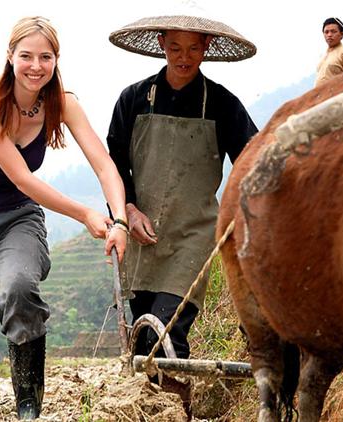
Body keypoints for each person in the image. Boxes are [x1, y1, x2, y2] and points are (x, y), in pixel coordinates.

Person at [0, 16, 128, 421]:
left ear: (57, 60)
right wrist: (84, 214)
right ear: (10, 56)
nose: (36, 66)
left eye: (46, 57)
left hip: (16, 218)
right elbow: (22, 178)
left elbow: (104, 165)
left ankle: (28, 406)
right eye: (26, 56)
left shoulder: (63, 102)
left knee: (20, 287)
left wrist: (119, 220)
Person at [106, 15, 258, 405]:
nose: (184, 57)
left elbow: (253, 159)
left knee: (168, 330)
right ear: (161, 44)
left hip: (195, 234)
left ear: (206, 47)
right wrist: (128, 208)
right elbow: (114, 166)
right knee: (143, 340)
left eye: (193, 49)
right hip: (142, 236)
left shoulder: (222, 104)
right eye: (175, 48)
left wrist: (236, 215)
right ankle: (147, 407)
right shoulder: (133, 99)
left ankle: (175, 408)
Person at [316, 17, 343, 86]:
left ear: (342, 34)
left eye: (333, 31)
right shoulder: (323, 56)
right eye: (326, 32)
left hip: (337, 94)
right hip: (321, 96)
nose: (329, 35)